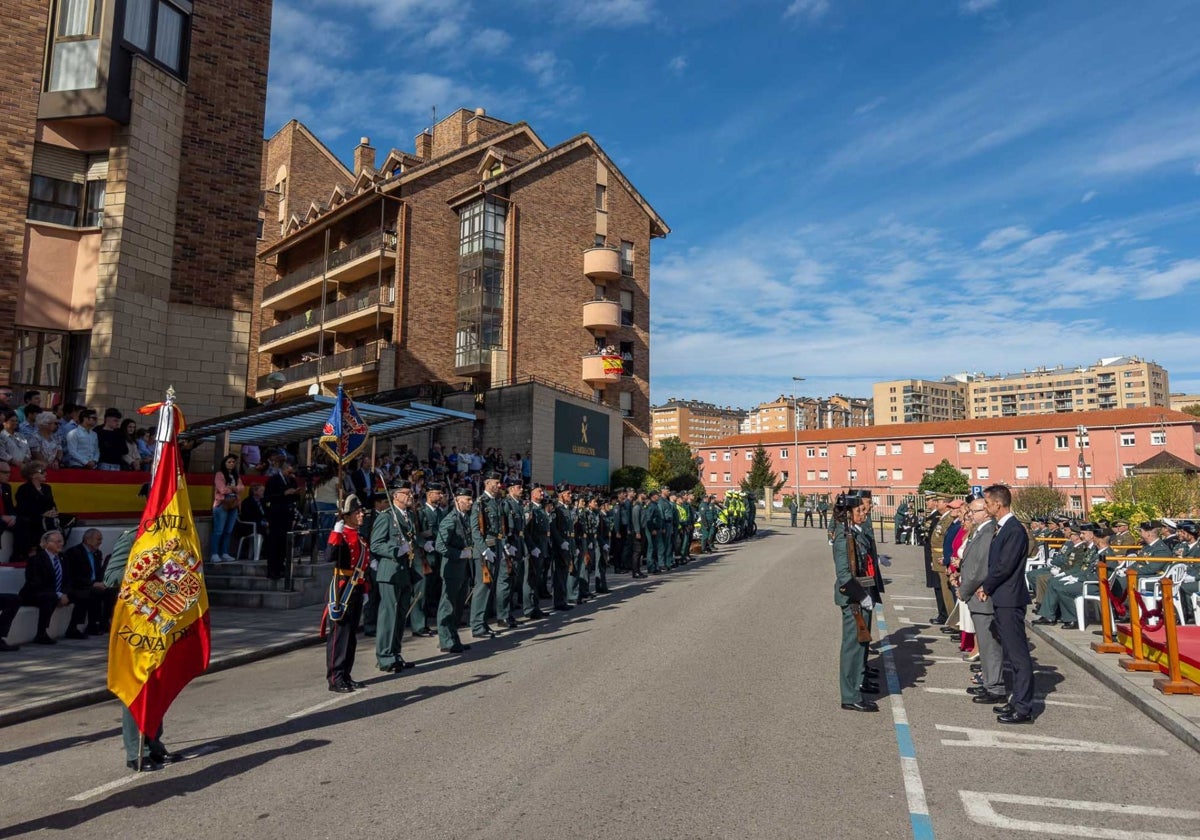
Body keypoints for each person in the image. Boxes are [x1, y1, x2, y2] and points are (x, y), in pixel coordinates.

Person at [104, 525, 184, 771]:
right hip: (136, 623)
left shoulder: (175, 536)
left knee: (159, 684)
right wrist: (150, 570)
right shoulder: (133, 536)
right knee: (136, 685)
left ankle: (154, 743)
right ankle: (136, 751)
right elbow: (111, 577)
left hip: (163, 620)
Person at [977, 484, 1035, 724]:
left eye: (988, 503)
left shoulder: (1013, 530)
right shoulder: (1002, 528)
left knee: (1019, 656)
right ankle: (1016, 700)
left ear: (998, 504)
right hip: (1003, 598)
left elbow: (1004, 565)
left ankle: (1023, 707)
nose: (986, 507)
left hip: (1010, 598)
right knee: (1012, 654)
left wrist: (986, 586)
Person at [831, 495, 877, 713]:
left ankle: (857, 687)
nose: (864, 514)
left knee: (861, 644)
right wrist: (862, 596)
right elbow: (843, 575)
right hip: (853, 598)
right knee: (853, 647)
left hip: (860, 595)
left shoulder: (855, 534)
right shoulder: (843, 537)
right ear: (849, 513)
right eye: (859, 511)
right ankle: (849, 695)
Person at [957, 499, 1003, 704]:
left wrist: (964, 590)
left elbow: (980, 569)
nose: (970, 514)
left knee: (989, 646)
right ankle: (988, 682)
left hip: (981, 596)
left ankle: (995, 686)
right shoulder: (981, 530)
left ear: (985, 512)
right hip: (975, 595)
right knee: (985, 645)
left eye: (973, 511)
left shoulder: (987, 532)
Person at [371, 484, 417, 673]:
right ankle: (384, 656)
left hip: (405, 571)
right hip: (390, 571)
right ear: (396, 495)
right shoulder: (387, 517)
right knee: (389, 615)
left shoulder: (409, 516)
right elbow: (376, 544)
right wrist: (396, 551)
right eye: (407, 493)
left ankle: (395, 653)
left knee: (400, 615)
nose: (411, 496)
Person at [326, 495, 369, 693]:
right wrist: (337, 530)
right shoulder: (341, 535)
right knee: (339, 635)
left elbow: (363, 568)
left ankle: (346, 674)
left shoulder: (360, 536)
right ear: (347, 516)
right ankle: (335, 678)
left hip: (357, 587)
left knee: (351, 635)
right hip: (343, 587)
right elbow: (330, 556)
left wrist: (365, 590)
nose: (361, 515)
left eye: (361, 512)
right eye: (357, 513)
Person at [20, 530, 88, 643]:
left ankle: (73, 628)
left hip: (56, 593)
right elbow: (35, 583)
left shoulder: (63, 558)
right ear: (46, 544)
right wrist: (58, 595)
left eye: (61, 541)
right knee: (49, 598)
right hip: (34, 593)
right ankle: (41, 633)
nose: (60, 544)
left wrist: (64, 593)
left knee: (82, 594)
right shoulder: (36, 560)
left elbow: (68, 579)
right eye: (57, 542)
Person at [434, 486, 474, 653]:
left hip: (463, 568)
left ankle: (453, 637)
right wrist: (459, 554)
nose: (470, 502)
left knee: (458, 606)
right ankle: (446, 640)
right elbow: (440, 545)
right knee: (448, 605)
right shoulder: (450, 519)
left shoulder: (464, 518)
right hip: (452, 568)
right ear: (458, 500)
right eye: (467, 499)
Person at [469, 472, 505, 639]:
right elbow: (475, 531)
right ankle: (477, 625)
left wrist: (502, 547)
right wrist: (484, 550)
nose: (499, 485)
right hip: (485, 551)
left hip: (495, 548)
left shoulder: (495, 502)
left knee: (489, 587)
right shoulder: (480, 503)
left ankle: (482, 623)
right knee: (482, 588)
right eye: (497, 483)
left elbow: (498, 529)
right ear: (488, 483)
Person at [65, 528, 116, 634]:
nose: (100, 542)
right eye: (98, 539)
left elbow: (97, 574)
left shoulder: (97, 553)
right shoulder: (74, 552)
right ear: (88, 540)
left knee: (110, 591)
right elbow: (73, 575)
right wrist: (93, 584)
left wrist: (102, 582)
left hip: (93, 584)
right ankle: (88, 625)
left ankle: (104, 622)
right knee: (93, 592)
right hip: (79, 585)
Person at [15, 462, 63, 560]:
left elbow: (52, 504)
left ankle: (54, 550)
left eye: (45, 471)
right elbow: (23, 508)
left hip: (48, 517)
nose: (45, 473)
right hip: (33, 518)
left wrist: (53, 511)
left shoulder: (47, 488)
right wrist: (42, 514)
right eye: (42, 472)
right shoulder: (24, 489)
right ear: (32, 475)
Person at [414, 483, 445, 635]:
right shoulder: (421, 512)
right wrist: (423, 543)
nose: (440, 496)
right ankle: (419, 625)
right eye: (437, 493)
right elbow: (415, 531)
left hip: (438, 554)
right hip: (425, 556)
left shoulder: (440, 512)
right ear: (429, 494)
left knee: (435, 588)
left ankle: (433, 618)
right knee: (422, 591)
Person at [263, 462, 300, 580]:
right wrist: (283, 494)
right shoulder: (273, 480)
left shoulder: (292, 481)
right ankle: (272, 570)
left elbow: (295, 498)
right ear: (283, 469)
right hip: (276, 515)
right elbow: (268, 497)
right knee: (275, 543)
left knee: (284, 544)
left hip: (287, 514)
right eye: (288, 471)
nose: (290, 474)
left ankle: (281, 567)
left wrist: (295, 493)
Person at [499, 477, 527, 628]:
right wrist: (506, 545)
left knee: (513, 582)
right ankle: (502, 615)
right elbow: (502, 527)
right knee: (505, 582)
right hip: (509, 546)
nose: (521, 489)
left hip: (518, 544)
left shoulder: (518, 504)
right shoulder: (506, 504)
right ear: (510, 489)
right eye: (518, 487)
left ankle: (508, 614)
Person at [209, 454, 243, 565]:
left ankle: (224, 552)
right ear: (224, 463)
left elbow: (241, 487)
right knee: (219, 530)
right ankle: (214, 554)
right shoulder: (220, 474)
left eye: (233, 462)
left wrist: (233, 488)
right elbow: (222, 489)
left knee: (228, 530)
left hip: (233, 503)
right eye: (229, 462)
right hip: (222, 504)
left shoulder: (235, 475)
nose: (231, 464)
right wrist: (234, 489)